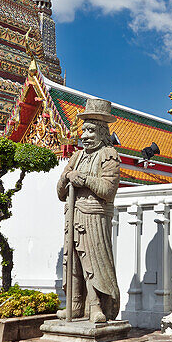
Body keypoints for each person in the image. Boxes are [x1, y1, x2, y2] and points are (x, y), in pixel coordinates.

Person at [56, 98, 121, 323]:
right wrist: (66, 176)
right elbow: (60, 192)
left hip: (95, 214)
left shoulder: (109, 155)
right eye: (83, 130)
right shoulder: (77, 156)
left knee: (93, 261)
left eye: (91, 130)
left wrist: (82, 178)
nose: (84, 135)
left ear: (103, 133)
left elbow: (108, 189)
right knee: (71, 259)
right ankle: (74, 304)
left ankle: (95, 305)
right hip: (73, 213)